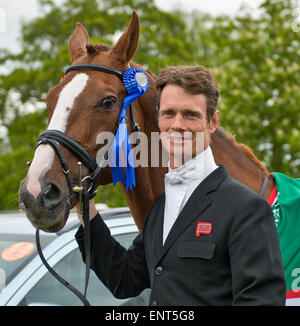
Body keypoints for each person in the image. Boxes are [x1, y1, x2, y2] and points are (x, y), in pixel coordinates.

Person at [75, 65, 286, 306]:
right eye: (169, 113)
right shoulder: (159, 209)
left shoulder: (247, 209)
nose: (177, 124)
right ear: (158, 119)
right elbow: (124, 279)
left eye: (191, 114)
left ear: (213, 121)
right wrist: (85, 208)